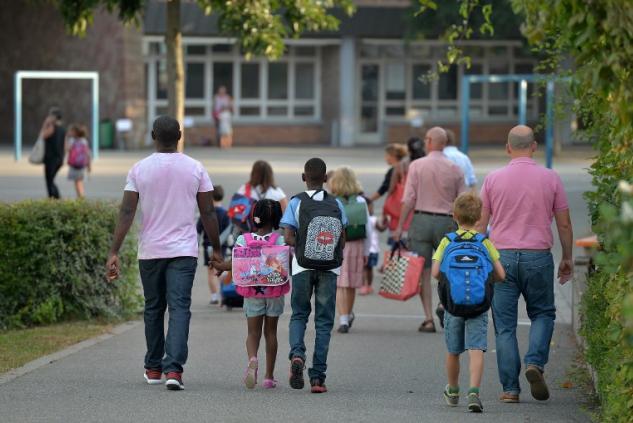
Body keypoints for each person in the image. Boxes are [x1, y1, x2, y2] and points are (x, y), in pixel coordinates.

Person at [105, 116, 222, 391]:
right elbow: (207, 211)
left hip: (151, 251)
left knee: (154, 308)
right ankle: (174, 371)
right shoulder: (195, 168)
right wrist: (216, 248)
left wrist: (114, 251)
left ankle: (153, 367)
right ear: (180, 135)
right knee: (180, 308)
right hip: (183, 251)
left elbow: (126, 211)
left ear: (152, 135)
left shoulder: (138, 169)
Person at [477, 125, 573, 403]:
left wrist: (482, 260)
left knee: (504, 325)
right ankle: (535, 363)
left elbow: (481, 226)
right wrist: (567, 256)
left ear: (507, 148)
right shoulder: (551, 178)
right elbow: (564, 223)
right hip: (537, 257)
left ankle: (510, 389)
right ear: (534, 147)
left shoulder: (493, 179)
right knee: (542, 313)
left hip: (501, 257)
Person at [432, 192, 506, 413]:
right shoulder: (485, 242)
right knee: (476, 349)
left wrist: (451, 279)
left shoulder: (447, 241)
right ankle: (474, 392)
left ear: (454, 216)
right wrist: (483, 279)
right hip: (478, 304)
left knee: (453, 350)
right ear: (479, 218)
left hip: (453, 305)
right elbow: (501, 275)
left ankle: (453, 390)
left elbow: (435, 272)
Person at [281, 158, 348, 393]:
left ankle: (297, 354)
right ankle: (318, 378)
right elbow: (342, 236)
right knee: (323, 322)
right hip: (329, 269)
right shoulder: (336, 204)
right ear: (326, 178)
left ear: (303, 177)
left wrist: (303, 245)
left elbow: (288, 236)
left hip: (302, 267)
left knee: (299, 314)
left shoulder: (296, 202)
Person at [393, 127, 466, 333]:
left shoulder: (417, 165)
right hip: (447, 222)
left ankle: (427, 319)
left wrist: (400, 227)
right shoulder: (455, 168)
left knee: (423, 272)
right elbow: (462, 203)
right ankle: (443, 304)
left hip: (421, 220)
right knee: (447, 269)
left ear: (430, 141)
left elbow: (408, 199)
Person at [211, 199, 289, 389]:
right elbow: (284, 265)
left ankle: (252, 359)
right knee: (271, 333)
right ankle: (269, 377)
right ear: (277, 218)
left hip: (252, 291)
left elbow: (235, 262)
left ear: (255, 218)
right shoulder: (279, 240)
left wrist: (220, 266)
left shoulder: (243, 240)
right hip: (274, 291)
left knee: (253, 332)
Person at [329, 167, 373, 333]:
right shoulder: (361, 201)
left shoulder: (332, 200)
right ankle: (348, 314)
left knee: (340, 284)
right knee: (352, 283)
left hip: (337, 245)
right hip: (356, 244)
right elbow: (367, 228)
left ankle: (343, 319)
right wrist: (368, 252)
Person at [197, 185, 230, 305]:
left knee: (211, 273)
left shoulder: (205, 214)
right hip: (223, 248)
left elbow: (198, 231)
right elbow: (229, 231)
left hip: (208, 247)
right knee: (224, 270)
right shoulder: (227, 214)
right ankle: (225, 293)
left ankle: (214, 296)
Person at [360, 198, 385, 295]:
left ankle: (365, 285)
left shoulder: (364, 219)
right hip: (373, 249)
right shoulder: (373, 219)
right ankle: (367, 285)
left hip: (367, 248)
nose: (372, 209)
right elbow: (381, 229)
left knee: (365, 269)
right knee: (369, 269)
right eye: (371, 207)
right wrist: (385, 225)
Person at [41, 107, 66, 199]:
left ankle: (54, 198)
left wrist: (45, 124)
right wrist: (63, 157)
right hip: (59, 159)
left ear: (54, 117)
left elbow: (42, 136)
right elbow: (65, 146)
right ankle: (55, 198)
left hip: (50, 159)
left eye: (50, 115)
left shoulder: (52, 127)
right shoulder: (63, 129)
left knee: (49, 181)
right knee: (51, 180)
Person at [65, 124, 91, 198]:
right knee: (79, 182)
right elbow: (87, 154)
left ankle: (81, 198)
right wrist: (89, 166)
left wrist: (66, 139)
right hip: (82, 165)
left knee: (77, 183)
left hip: (74, 165)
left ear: (75, 132)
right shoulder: (84, 141)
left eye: (71, 131)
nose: (70, 132)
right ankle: (80, 197)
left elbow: (67, 149)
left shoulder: (72, 140)